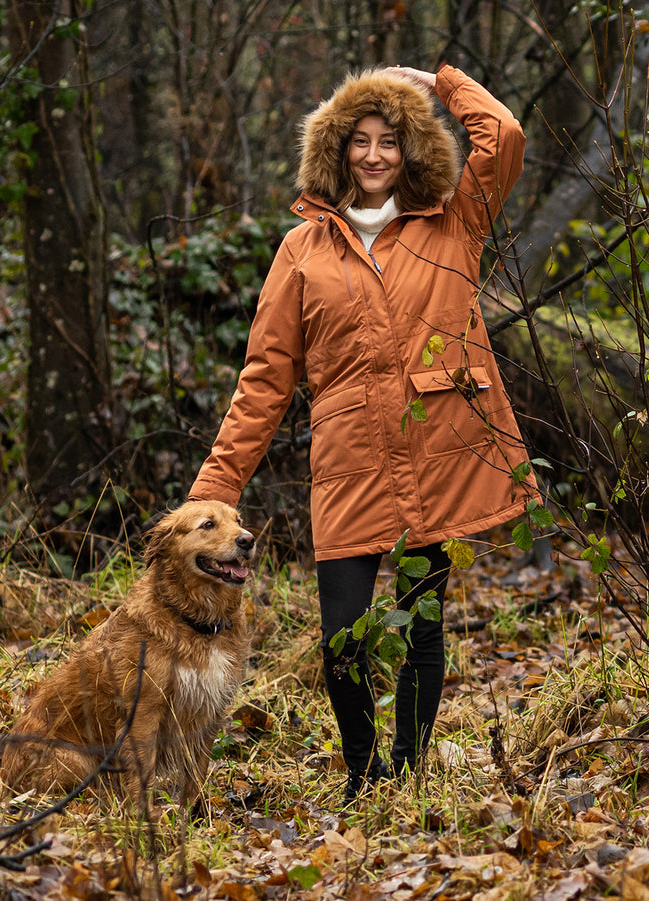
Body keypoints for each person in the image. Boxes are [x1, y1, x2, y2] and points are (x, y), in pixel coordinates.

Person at [188, 63, 534, 802]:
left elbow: (502, 134)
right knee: (342, 642)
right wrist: (214, 489)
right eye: (359, 142)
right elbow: (265, 379)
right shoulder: (301, 251)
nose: (374, 156)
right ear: (337, 152)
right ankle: (362, 773)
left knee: (420, 630)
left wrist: (441, 82)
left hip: (438, 457)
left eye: (390, 141)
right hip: (348, 464)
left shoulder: (455, 220)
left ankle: (404, 773)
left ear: (412, 150)